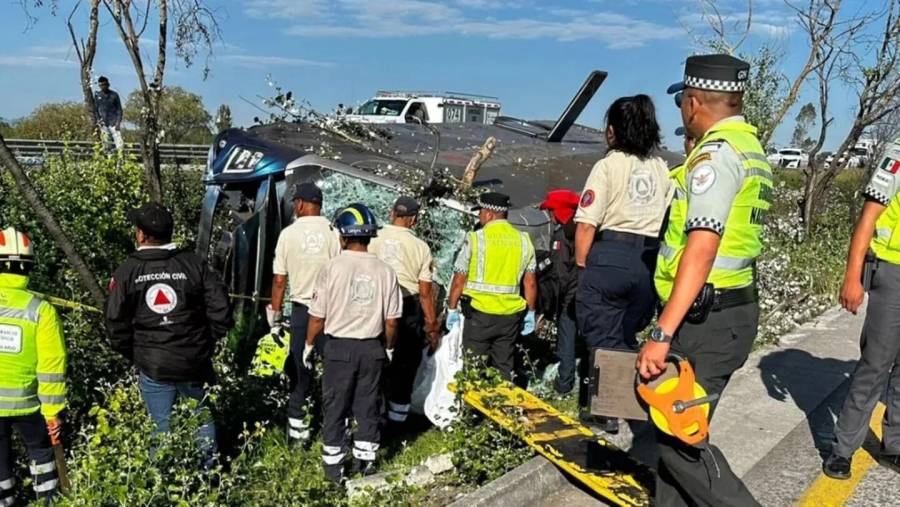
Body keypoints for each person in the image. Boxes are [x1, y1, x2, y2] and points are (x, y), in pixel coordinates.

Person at [636, 53, 772, 506]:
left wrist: (661, 331)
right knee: (671, 433)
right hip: (722, 311)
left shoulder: (717, 155)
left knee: (680, 442)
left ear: (692, 102)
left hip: (705, 319)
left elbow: (702, 247)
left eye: (682, 105)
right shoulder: (750, 147)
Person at [573, 95, 672, 433]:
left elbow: (586, 223)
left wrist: (583, 269)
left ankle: (603, 412)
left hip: (610, 253)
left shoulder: (608, 165)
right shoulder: (662, 169)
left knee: (601, 334)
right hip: (648, 259)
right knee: (626, 334)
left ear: (612, 131)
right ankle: (631, 405)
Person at [106, 203, 232, 466]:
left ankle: (163, 482)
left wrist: (135, 353)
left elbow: (115, 322)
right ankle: (208, 478)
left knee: (161, 426)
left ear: (141, 234)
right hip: (193, 361)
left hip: (153, 365)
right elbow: (222, 312)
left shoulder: (127, 271)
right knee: (201, 420)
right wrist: (205, 344)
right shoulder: (194, 264)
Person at [307, 203, 402, 482]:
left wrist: (309, 345)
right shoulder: (386, 271)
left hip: (338, 348)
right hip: (372, 348)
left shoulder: (332, 268)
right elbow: (392, 321)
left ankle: (334, 470)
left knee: (336, 407)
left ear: (344, 236)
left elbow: (317, 316)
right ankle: (366, 464)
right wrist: (389, 347)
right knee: (367, 405)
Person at [825, 137, 900, 479]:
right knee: (875, 366)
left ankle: (894, 445)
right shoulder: (898, 153)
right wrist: (852, 276)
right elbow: (869, 216)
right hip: (893, 271)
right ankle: (842, 450)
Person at [268, 182, 340, 446]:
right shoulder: (334, 231)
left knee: (300, 374)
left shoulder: (288, 235)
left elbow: (279, 280)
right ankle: (335, 432)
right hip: (332, 313)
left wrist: (275, 317)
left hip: (301, 313)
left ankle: (299, 437)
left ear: (299, 203)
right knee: (333, 373)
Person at [0, 228, 66, 503]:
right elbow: (51, 365)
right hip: (31, 405)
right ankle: (47, 500)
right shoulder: (41, 311)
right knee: (42, 458)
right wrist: (53, 413)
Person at [447, 192, 538, 381]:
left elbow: (458, 280)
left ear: (489, 214)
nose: (479, 216)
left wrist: (452, 309)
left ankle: (472, 409)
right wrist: (530, 312)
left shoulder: (475, 239)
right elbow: (530, 282)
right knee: (503, 368)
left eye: (480, 212)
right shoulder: (524, 240)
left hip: (480, 314)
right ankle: (500, 406)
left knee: (474, 368)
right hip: (510, 317)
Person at [369, 196, 439, 426]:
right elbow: (426, 293)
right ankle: (397, 421)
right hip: (407, 306)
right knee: (405, 364)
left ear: (392, 213)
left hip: (374, 305)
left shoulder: (373, 238)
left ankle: (372, 414)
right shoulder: (420, 247)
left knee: (375, 361)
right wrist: (432, 326)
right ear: (414, 220)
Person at [537, 190, 581, 395]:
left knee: (567, 336)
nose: (549, 215)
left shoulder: (562, 235)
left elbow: (560, 272)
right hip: (582, 292)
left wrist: (554, 300)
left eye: (551, 211)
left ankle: (564, 382)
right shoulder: (579, 229)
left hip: (569, 297)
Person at [94, 76, 124, 152]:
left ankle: (120, 160)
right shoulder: (97, 95)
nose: (103, 87)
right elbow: (96, 110)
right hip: (104, 123)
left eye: (104, 85)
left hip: (114, 123)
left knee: (120, 144)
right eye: (101, 85)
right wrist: (99, 120)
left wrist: (118, 123)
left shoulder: (114, 95)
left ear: (108, 84)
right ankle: (108, 159)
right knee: (106, 145)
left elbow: (119, 110)